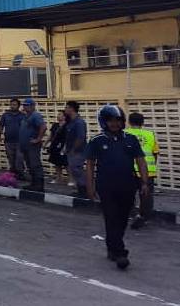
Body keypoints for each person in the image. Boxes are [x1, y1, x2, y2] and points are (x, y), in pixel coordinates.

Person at [86, 105, 149, 270]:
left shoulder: (130, 139)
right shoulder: (96, 141)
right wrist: (90, 187)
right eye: (111, 120)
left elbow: (140, 160)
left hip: (127, 185)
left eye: (118, 120)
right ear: (104, 122)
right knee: (111, 217)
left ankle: (112, 248)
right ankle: (121, 253)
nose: (115, 123)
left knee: (121, 219)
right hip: (106, 186)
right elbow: (90, 165)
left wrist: (144, 182)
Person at [126, 113, 159, 229]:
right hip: (148, 170)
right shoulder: (150, 134)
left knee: (128, 193)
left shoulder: (125, 134)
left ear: (129, 122)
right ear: (142, 122)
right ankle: (143, 217)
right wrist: (151, 166)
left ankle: (131, 214)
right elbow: (155, 153)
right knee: (146, 195)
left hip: (129, 170)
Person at [19, 98, 47, 192]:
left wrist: (38, 139)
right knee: (30, 165)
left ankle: (39, 185)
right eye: (24, 105)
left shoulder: (36, 116)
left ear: (32, 106)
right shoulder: (25, 116)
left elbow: (43, 127)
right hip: (25, 146)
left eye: (27, 105)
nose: (25, 107)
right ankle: (33, 183)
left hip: (32, 146)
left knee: (35, 164)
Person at [64, 101, 88, 197]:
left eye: (66, 107)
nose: (65, 109)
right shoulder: (71, 122)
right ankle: (80, 190)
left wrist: (74, 149)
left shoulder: (79, 122)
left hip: (78, 151)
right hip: (71, 150)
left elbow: (81, 137)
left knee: (77, 169)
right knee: (74, 170)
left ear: (71, 109)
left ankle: (84, 191)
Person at [0, 98, 25, 179]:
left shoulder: (22, 115)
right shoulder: (5, 115)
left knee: (19, 158)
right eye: (11, 105)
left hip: (20, 141)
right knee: (11, 158)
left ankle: (20, 173)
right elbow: (1, 126)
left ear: (18, 106)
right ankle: (13, 173)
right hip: (8, 141)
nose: (12, 106)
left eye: (14, 105)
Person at [46, 113, 68, 184]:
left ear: (64, 116)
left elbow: (68, 138)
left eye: (60, 114)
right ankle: (58, 178)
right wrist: (45, 143)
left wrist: (65, 147)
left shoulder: (67, 125)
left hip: (63, 145)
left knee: (66, 163)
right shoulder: (55, 125)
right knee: (56, 163)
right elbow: (51, 135)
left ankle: (72, 179)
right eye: (58, 114)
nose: (58, 116)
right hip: (55, 145)